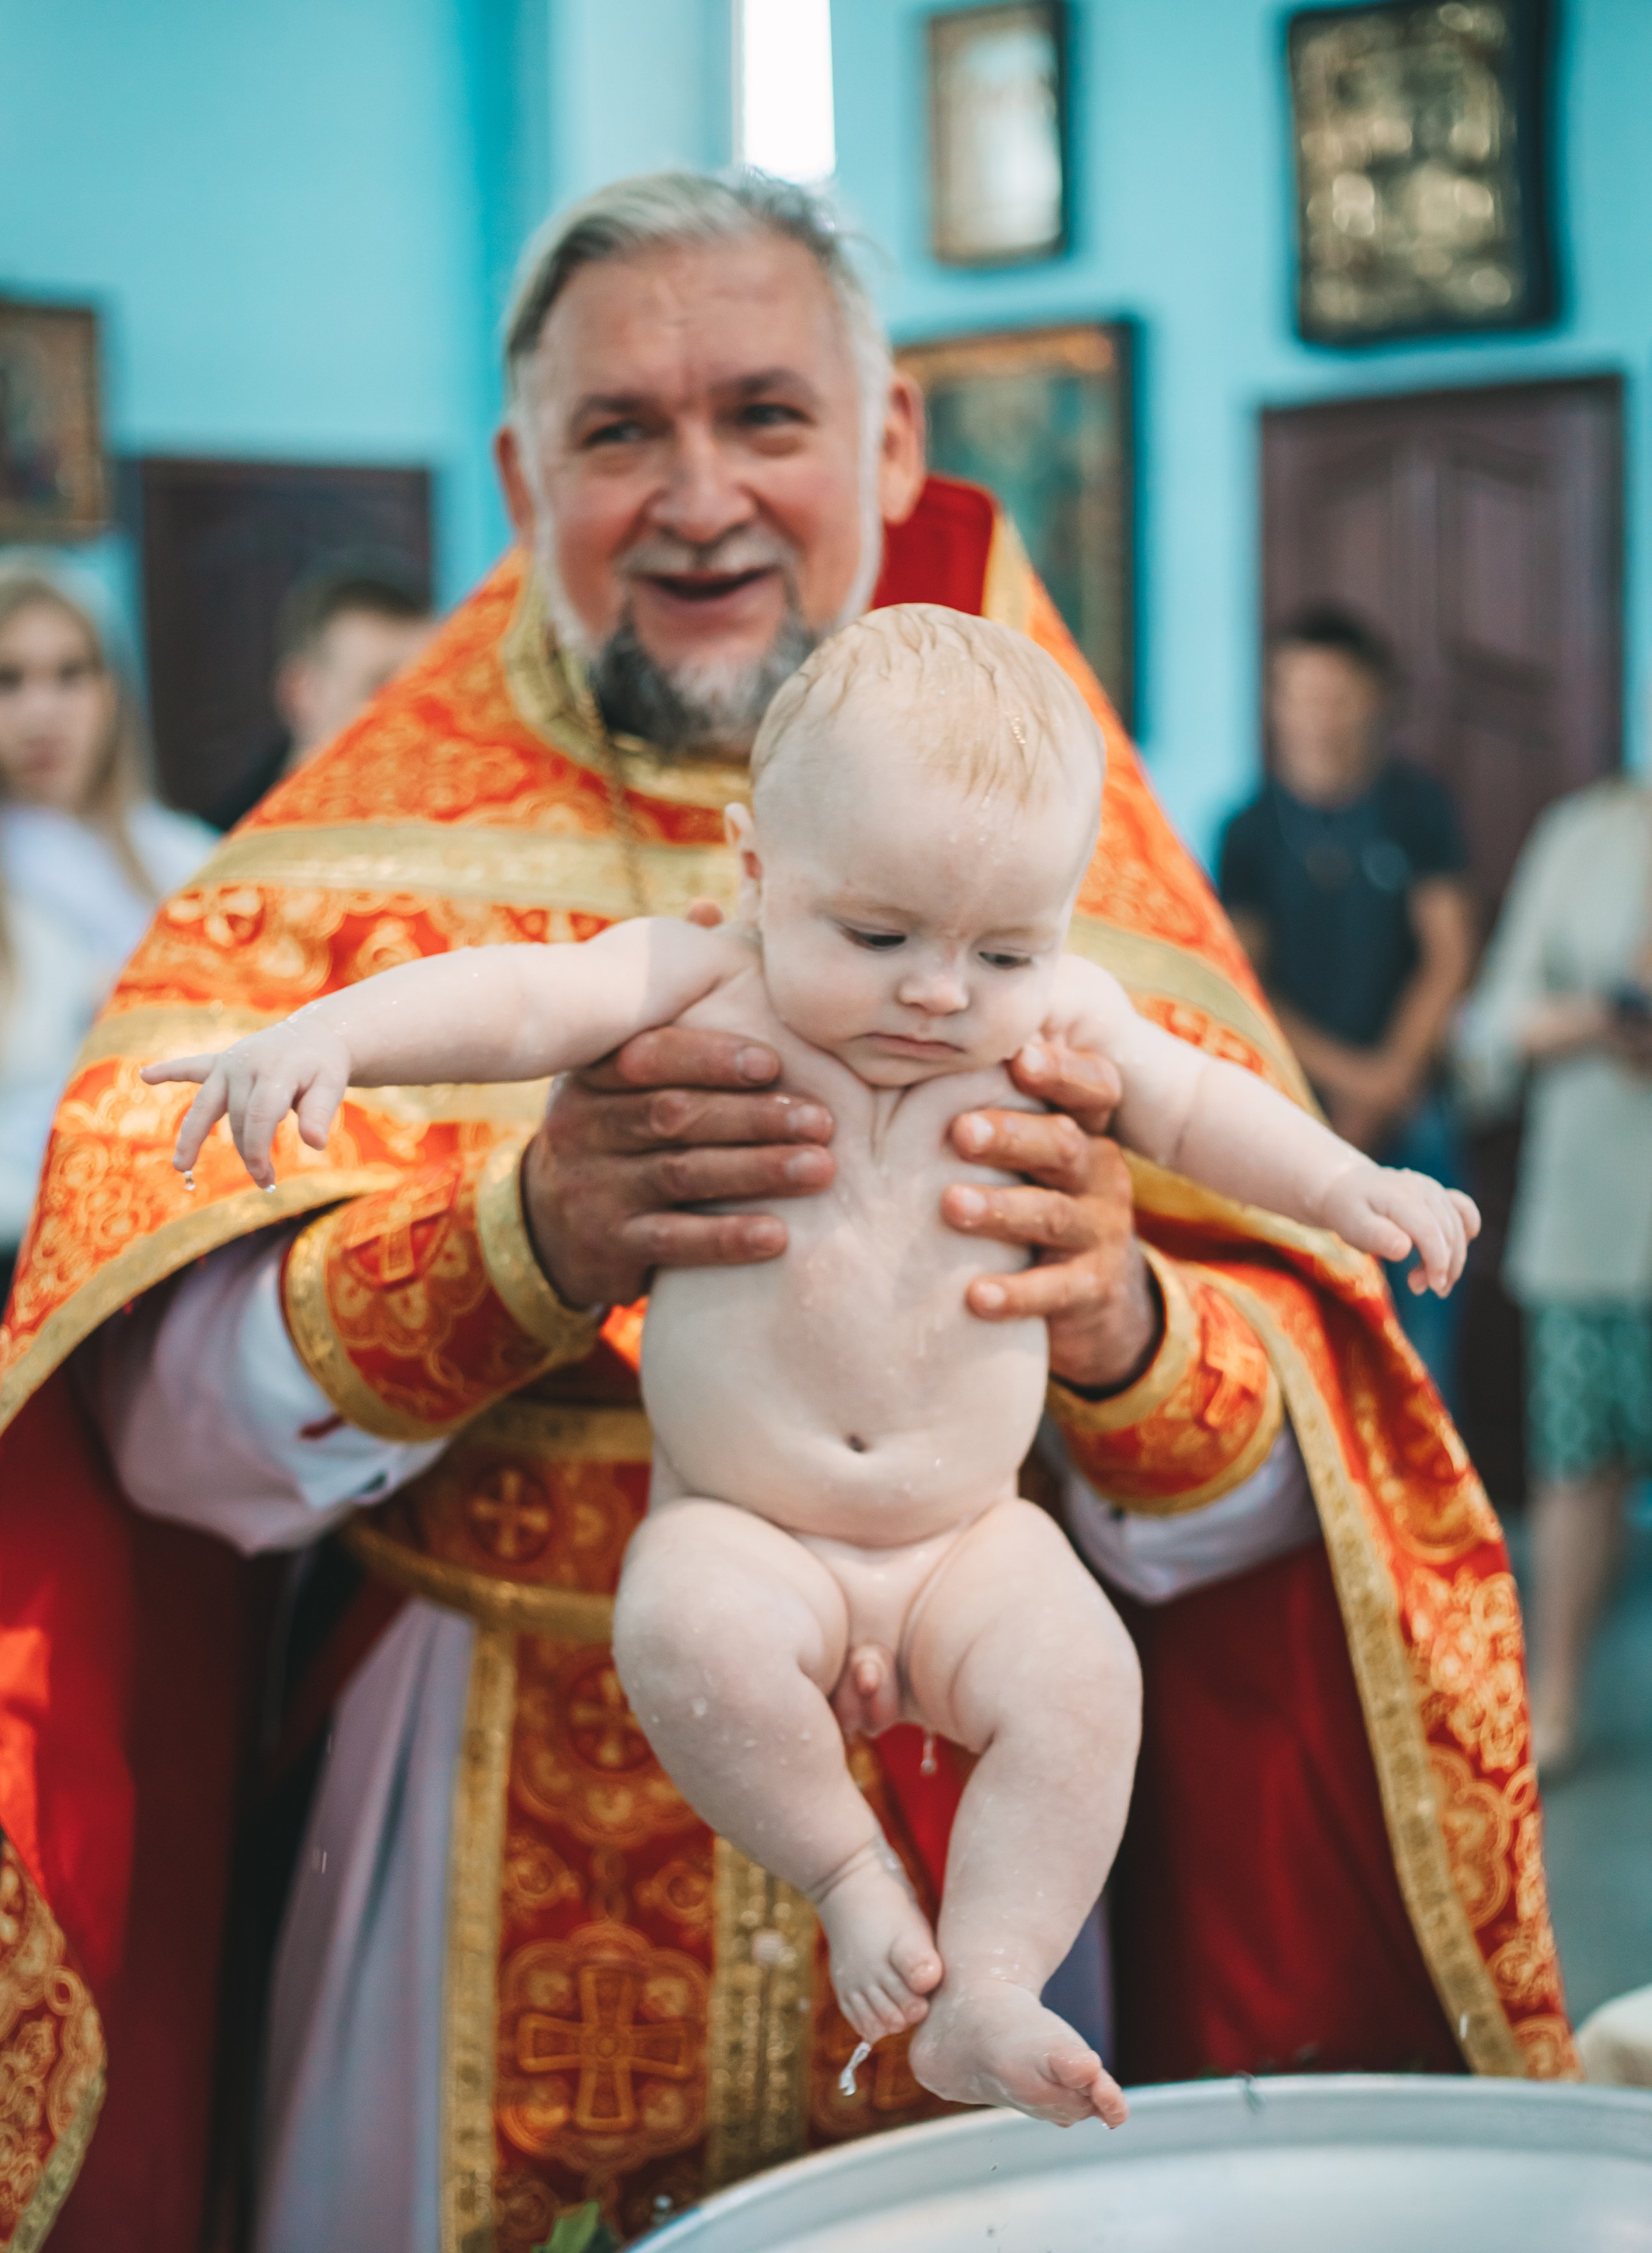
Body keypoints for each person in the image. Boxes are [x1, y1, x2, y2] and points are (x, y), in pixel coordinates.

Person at [0, 172, 1572, 2253]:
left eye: (763, 414)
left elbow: (1278, 1515)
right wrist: (522, 1237)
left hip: (974, 1763)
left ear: (889, 441)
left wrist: (1112, 1322)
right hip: (453, 1855)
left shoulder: (1054, 863)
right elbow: (142, 1443)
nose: (694, 491)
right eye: (619, 429)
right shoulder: (342, 870)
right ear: (518, 483)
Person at [154, 604, 1476, 2124]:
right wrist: (325, 1036)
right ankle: (850, 1870)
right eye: (876, 938)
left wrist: (1347, 1188)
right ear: (755, 871)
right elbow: (515, 1002)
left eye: (1001, 948)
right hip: (748, 1525)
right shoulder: (695, 978)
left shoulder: (1048, 1016)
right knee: (683, 1626)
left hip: (963, 1538)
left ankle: (984, 1987)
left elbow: (1196, 1107)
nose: (937, 993)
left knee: (1077, 1681)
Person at [0, 558, 214, 1984]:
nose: (40, 711)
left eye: (68, 674)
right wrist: (91, 1163)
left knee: (181, 1635)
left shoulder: (183, 855)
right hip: (14, 1315)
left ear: (113, 693)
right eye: (2, 680)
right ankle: (13, 1971)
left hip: (184, 1296)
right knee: (33, 1657)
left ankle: (172, 1946)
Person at [1218, 607, 1476, 1397]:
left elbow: (1448, 953)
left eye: (1334, 695)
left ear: (1373, 701)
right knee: (1302, 1338)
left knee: (1419, 1333)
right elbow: (1239, 980)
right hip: (1297, 1107)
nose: (1314, 716)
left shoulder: (1416, 808)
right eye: (1296, 694)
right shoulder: (1248, 830)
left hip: (1410, 1109)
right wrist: (1349, 1086)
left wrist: (1390, 1079)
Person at [1457, 772, 1652, 1772]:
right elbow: (1492, 1024)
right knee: (1575, 1470)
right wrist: (1597, 1018)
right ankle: (1559, 1704)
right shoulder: (1581, 831)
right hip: (1587, 1218)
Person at [216, 560, 437, 825]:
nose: (416, 716)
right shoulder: (213, 852)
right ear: (300, 695)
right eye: (383, 690)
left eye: (428, 687)